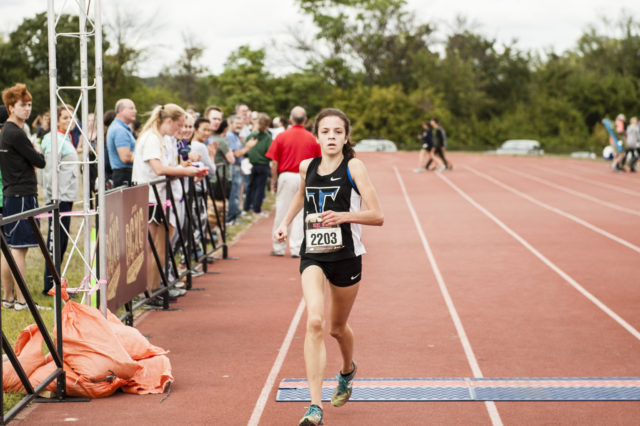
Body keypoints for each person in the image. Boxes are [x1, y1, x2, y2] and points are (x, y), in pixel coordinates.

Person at [274, 108, 383, 426]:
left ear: (346, 137)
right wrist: (284, 222)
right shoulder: (308, 165)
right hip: (314, 255)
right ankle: (314, 406)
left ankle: (348, 369)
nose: (332, 137)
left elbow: (377, 215)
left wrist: (344, 216)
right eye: (326, 131)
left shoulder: (355, 167)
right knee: (315, 321)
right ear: (316, 135)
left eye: (338, 132)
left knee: (336, 328)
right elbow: (302, 195)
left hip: (347, 256)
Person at [132, 104, 204, 293]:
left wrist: (184, 168)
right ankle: (151, 289)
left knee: (161, 245)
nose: (180, 130)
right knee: (153, 246)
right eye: (178, 125)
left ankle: (157, 287)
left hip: (160, 196)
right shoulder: (152, 138)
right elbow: (159, 169)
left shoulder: (160, 138)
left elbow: (165, 167)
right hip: (151, 197)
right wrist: (185, 171)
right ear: (169, 121)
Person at [0, 83, 49, 311]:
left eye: (29, 105)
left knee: (10, 247)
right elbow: (39, 161)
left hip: (13, 193)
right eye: (22, 105)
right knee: (19, 248)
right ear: (11, 107)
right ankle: (21, 301)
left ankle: (9, 298)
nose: (27, 109)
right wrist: (36, 154)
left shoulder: (9, 131)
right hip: (20, 195)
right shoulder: (15, 133)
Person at [266, 106, 321, 257]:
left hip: (287, 175)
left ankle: (278, 246)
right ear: (304, 120)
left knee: (282, 210)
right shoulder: (312, 138)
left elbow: (274, 162)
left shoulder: (282, 136)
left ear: (290, 119)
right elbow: (319, 161)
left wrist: (274, 181)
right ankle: (297, 248)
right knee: (302, 213)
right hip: (306, 176)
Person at [41, 104, 79, 295]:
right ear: (56, 119)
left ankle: (57, 281)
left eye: (72, 116)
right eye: (65, 117)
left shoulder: (67, 138)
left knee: (63, 241)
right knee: (55, 240)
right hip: (57, 198)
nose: (69, 120)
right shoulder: (52, 139)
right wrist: (51, 198)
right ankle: (49, 284)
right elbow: (48, 171)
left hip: (67, 196)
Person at [225, 115, 257, 224]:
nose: (239, 126)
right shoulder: (230, 136)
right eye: (237, 123)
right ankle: (231, 219)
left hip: (238, 166)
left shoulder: (236, 135)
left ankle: (236, 215)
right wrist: (248, 147)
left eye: (240, 124)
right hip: (233, 167)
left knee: (237, 193)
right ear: (230, 124)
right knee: (234, 193)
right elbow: (236, 153)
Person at [243, 113, 272, 215]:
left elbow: (245, 149)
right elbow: (270, 152)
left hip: (252, 164)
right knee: (260, 187)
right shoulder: (268, 137)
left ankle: (246, 207)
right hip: (263, 165)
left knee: (251, 186)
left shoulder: (251, 136)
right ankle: (256, 208)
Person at [106, 98, 137, 187]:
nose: (135, 111)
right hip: (124, 175)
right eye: (131, 108)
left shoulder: (120, 128)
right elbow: (125, 157)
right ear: (120, 110)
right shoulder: (120, 130)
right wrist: (145, 158)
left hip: (124, 174)